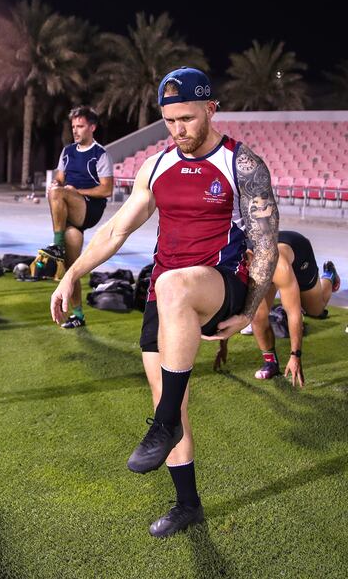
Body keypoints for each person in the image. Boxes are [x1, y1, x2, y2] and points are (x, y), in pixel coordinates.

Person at [50, 67, 278, 537]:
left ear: (211, 109)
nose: (178, 130)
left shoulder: (243, 164)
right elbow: (116, 230)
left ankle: (163, 422)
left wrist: (249, 310)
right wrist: (71, 274)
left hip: (218, 282)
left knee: (174, 288)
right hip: (164, 296)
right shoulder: (156, 166)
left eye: (187, 119)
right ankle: (187, 503)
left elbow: (266, 242)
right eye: (170, 120)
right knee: (168, 396)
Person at [215, 231, 339, 386]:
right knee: (257, 315)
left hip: (298, 254)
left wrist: (295, 356)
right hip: (269, 259)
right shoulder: (240, 266)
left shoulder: (279, 267)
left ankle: (329, 276)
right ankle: (271, 363)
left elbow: (293, 313)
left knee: (315, 309)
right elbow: (233, 308)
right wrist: (222, 344)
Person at [42, 106, 113, 328]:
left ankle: (56, 245)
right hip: (71, 213)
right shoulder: (67, 151)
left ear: (92, 127)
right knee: (72, 268)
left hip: (90, 208)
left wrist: (73, 192)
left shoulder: (100, 154)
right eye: (73, 126)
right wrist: (57, 183)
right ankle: (79, 315)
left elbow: (106, 190)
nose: (75, 130)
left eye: (80, 126)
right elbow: (60, 178)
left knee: (57, 193)